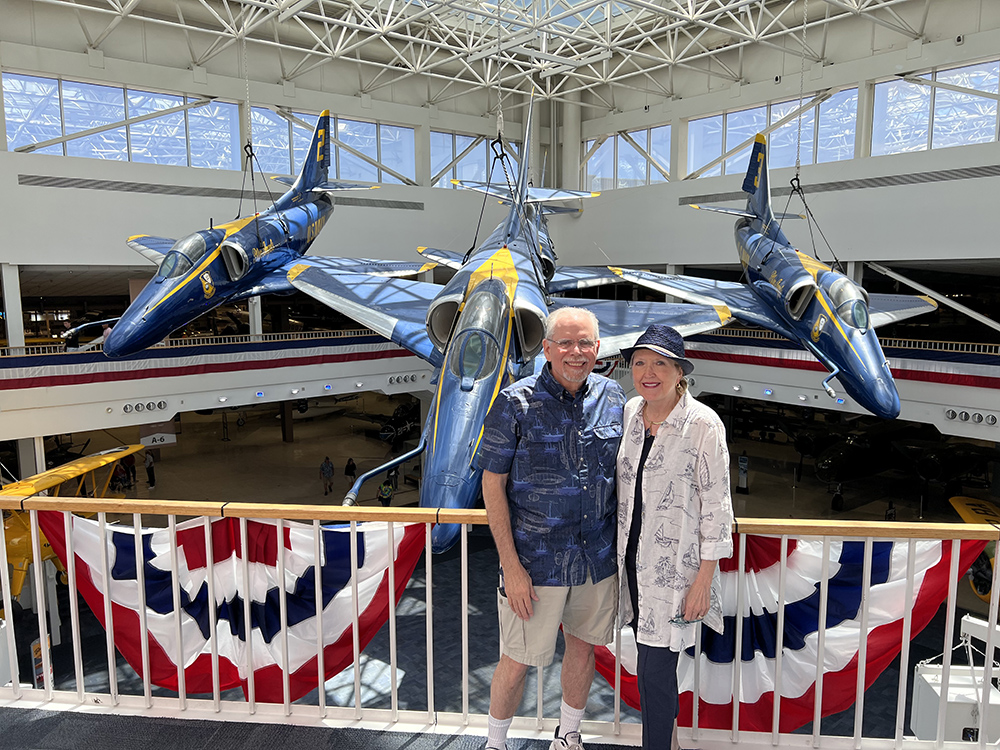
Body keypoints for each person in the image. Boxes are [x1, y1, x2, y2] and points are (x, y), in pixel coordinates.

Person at [477, 307, 625, 750]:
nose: (575, 352)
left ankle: (569, 735)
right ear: (546, 349)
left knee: (583, 648)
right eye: (565, 342)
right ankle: (495, 743)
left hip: (596, 559)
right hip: (535, 564)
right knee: (516, 659)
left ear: (597, 349)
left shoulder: (613, 396)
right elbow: (492, 484)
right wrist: (511, 567)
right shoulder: (514, 402)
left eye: (585, 343)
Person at [616, 325, 734, 750]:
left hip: (675, 576)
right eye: (640, 363)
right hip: (631, 567)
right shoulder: (631, 412)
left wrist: (703, 581)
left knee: (654, 673)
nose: (648, 373)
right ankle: (670, 742)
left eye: (660, 364)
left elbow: (718, 508)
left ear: (680, 372)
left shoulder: (703, 424)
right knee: (653, 670)